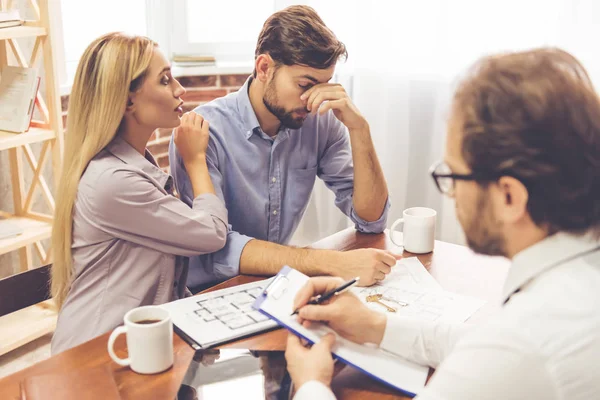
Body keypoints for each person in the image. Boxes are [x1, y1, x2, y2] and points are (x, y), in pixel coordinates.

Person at [284, 48, 600, 399]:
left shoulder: (524, 343)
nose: (451, 195)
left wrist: (310, 383)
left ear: (509, 197)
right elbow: (480, 343)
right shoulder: (571, 289)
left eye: (453, 175)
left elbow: (499, 354)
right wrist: (375, 325)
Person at [169, 5, 395, 293]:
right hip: (208, 291)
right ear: (264, 68)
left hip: (272, 284)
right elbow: (217, 248)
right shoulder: (204, 132)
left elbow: (371, 219)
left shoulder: (318, 121)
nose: (314, 98)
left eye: (324, 85)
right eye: (305, 84)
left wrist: (359, 129)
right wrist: (332, 262)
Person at [50, 33, 228, 354]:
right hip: (94, 353)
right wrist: (196, 160)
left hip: (137, 342)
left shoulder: (132, 166)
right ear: (128, 100)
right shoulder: (114, 181)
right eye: (164, 80)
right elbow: (212, 234)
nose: (180, 90)